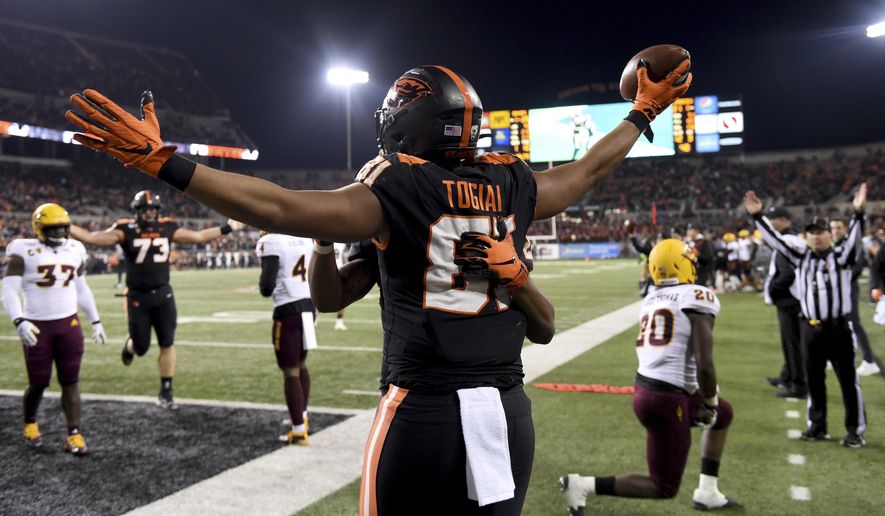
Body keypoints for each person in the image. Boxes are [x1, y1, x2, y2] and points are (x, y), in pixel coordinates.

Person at [65, 58, 690, 514]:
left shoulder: (399, 187)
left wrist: (164, 163)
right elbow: (588, 170)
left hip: (422, 410)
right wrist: (641, 112)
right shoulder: (512, 182)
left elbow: (278, 208)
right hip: (505, 410)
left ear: (407, 126)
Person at [560, 239, 737, 514]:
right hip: (667, 399)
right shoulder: (697, 295)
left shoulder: (652, 298)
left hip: (649, 390)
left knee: (723, 414)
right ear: (684, 265)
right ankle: (581, 485)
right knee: (663, 487)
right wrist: (709, 401)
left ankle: (708, 491)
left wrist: (709, 403)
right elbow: (704, 363)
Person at [69, 191, 244, 409]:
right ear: (138, 210)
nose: (149, 212)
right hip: (137, 297)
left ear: (157, 210)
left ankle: (166, 391)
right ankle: (130, 345)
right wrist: (65, 223)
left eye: (152, 208)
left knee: (167, 342)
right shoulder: (125, 230)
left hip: (163, 294)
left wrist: (227, 228)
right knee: (141, 347)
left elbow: (198, 237)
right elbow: (91, 238)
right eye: (145, 209)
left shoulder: (167, 227)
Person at [745, 185, 869, 448]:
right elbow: (775, 241)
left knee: (848, 381)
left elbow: (856, 238)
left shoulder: (842, 257)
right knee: (814, 380)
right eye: (812, 234)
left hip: (838, 328)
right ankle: (817, 425)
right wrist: (758, 218)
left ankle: (854, 431)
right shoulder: (801, 258)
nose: (816, 238)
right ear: (807, 236)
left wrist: (858, 212)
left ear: (828, 235)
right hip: (810, 329)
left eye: (821, 233)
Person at [2, 203, 108, 454]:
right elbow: (8, 289)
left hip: (68, 325)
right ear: (39, 228)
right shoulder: (23, 250)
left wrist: (95, 320)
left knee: (71, 381)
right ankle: (29, 423)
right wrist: (19, 320)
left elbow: (81, 288)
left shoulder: (74, 249)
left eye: (63, 228)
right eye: (54, 228)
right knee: (38, 383)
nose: (60, 233)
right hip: (37, 326)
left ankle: (74, 433)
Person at [256, 231, 316, 445]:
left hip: (288, 309)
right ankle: (302, 417)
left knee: (290, 372)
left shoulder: (270, 241)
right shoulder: (303, 237)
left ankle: (298, 430)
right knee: (301, 365)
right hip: (309, 305)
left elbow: (266, 287)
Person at [760, 207, 806, 398]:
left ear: (786, 220)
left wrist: (773, 290)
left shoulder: (787, 241)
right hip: (792, 299)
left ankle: (798, 385)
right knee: (791, 343)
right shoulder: (793, 240)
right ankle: (788, 376)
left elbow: (787, 274)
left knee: (793, 343)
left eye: (775, 219)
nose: (771, 222)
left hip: (789, 300)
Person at [830, 218, 879, 376]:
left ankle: (869, 361)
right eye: (833, 228)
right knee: (834, 323)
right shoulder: (833, 245)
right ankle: (835, 355)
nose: (835, 231)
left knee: (854, 323)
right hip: (835, 289)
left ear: (845, 229)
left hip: (848, 289)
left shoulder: (852, 245)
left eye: (839, 227)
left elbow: (857, 267)